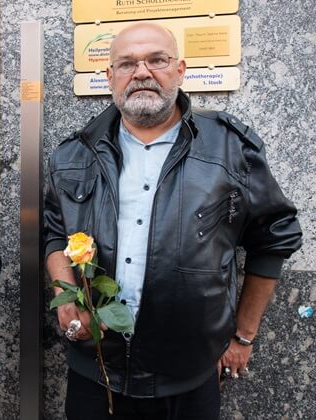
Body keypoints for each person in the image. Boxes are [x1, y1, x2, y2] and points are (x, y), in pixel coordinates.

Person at [44, 22, 302, 419]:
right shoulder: (73, 155)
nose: (142, 72)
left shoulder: (231, 147)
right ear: (109, 77)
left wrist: (244, 336)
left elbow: (273, 240)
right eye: (127, 63)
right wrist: (65, 298)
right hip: (96, 372)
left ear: (180, 71)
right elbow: (56, 233)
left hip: (189, 378)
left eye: (157, 60)